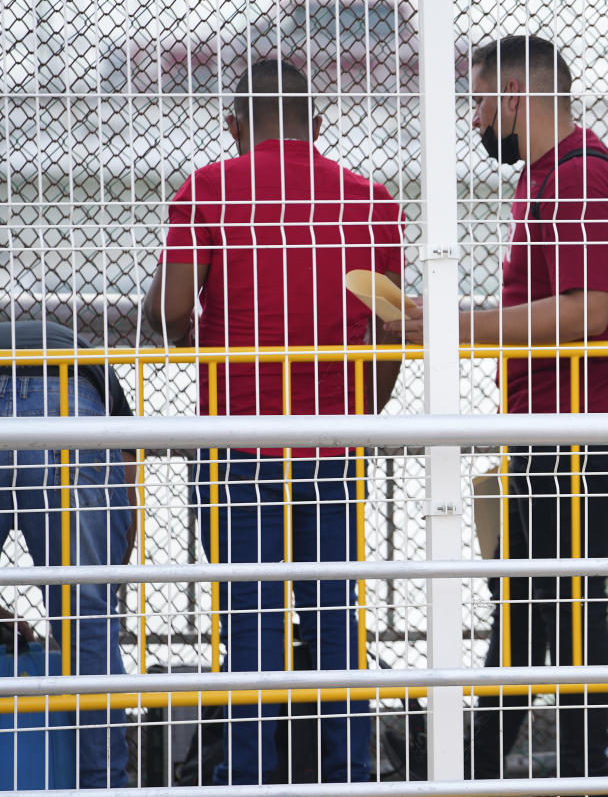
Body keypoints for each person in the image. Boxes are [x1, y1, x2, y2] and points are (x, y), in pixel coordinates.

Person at [390, 34, 608, 784]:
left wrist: (452, 325)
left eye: (478, 102)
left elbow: (588, 310)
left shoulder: (577, 178)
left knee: (562, 607)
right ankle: (476, 768)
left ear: (514, 95)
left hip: (579, 425)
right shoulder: (548, 176)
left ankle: (566, 769)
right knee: (532, 607)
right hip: (548, 421)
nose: (473, 122)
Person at [144, 58, 404, 785]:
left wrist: (218, 361)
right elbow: (390, 332)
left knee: (250, 627)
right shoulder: (370, 201)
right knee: (334, 622)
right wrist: (363, 410)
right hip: (333, 441)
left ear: (233, 128)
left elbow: (168, 311)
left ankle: (250, 777)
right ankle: (349, 773)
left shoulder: (209, 190)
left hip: (237, 441)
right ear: (319, 127)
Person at [0, 319, 135, 788]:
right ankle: (102, 784)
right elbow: (125, 465)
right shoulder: (100, 373)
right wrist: (111, 574)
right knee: (87, 619)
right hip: (69, 391)